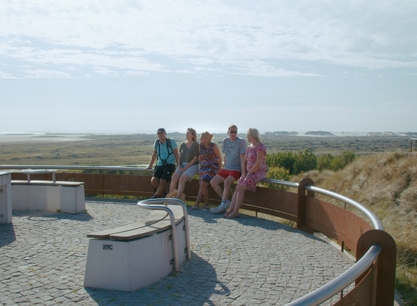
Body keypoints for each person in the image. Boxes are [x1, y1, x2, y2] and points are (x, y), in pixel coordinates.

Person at [223, 127, 268, 218]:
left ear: (252, 136)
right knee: (238, 187)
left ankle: (235, 211)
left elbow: (258, 163)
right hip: (248, 172)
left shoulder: (260, 147)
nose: (246, 136)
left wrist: (249, 173)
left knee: (242, 187)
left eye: (247, 135)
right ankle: (230, 210)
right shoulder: (249, 147)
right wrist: (244, 172)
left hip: (257, 172)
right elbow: (244, 161)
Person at [210, 124, 246, 214]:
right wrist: (224, 166)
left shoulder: (241, 142)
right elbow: (225, 155)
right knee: (213, 182)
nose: (233, 134)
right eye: (231, 132)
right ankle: (225, 201)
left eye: (235, 132)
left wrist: (243, 172)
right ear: (228, 132)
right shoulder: (225, 141)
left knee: (227, 182)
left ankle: (222, 205)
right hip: (227, 167)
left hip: (236, 168)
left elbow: (242, 157)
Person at [192, 131, 222, 210]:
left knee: (203, 185)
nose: (201, 138)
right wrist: (200, 168)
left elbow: (219, 157)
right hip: (203, 168)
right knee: (202, 185)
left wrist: (219, 169)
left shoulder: (213, 146)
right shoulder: (200, 146)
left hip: (212, 168)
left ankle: (206, 203)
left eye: (203, 137)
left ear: (207, 138)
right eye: (201, 137)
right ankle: (197, 204)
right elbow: (201, 158)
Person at [146, 128, 179, 198]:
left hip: (170, 164)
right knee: (153, 180)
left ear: (165, 133)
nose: (160, 135)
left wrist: (178, 166)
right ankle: (164, 193)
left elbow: (176, 154)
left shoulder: (171, 141)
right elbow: (154, 154)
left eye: (161, 133)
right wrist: (150, 165)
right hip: (160, 164)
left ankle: (156, 196)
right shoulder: (157, 142)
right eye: (159, 134)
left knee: (162, 180)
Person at [169, 128, 199, 200]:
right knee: (174, 178)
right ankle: (170, 196)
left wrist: (186, 168)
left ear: (193, 135)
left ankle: (177, 198)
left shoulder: (196, 145)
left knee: (182, 179)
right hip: (182, 164)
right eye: (186, 133)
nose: (186, 134)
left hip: (193, 165)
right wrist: (179, 165)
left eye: (188, 133)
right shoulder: (183, 144)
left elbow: (195, 158)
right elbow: (179, 156)